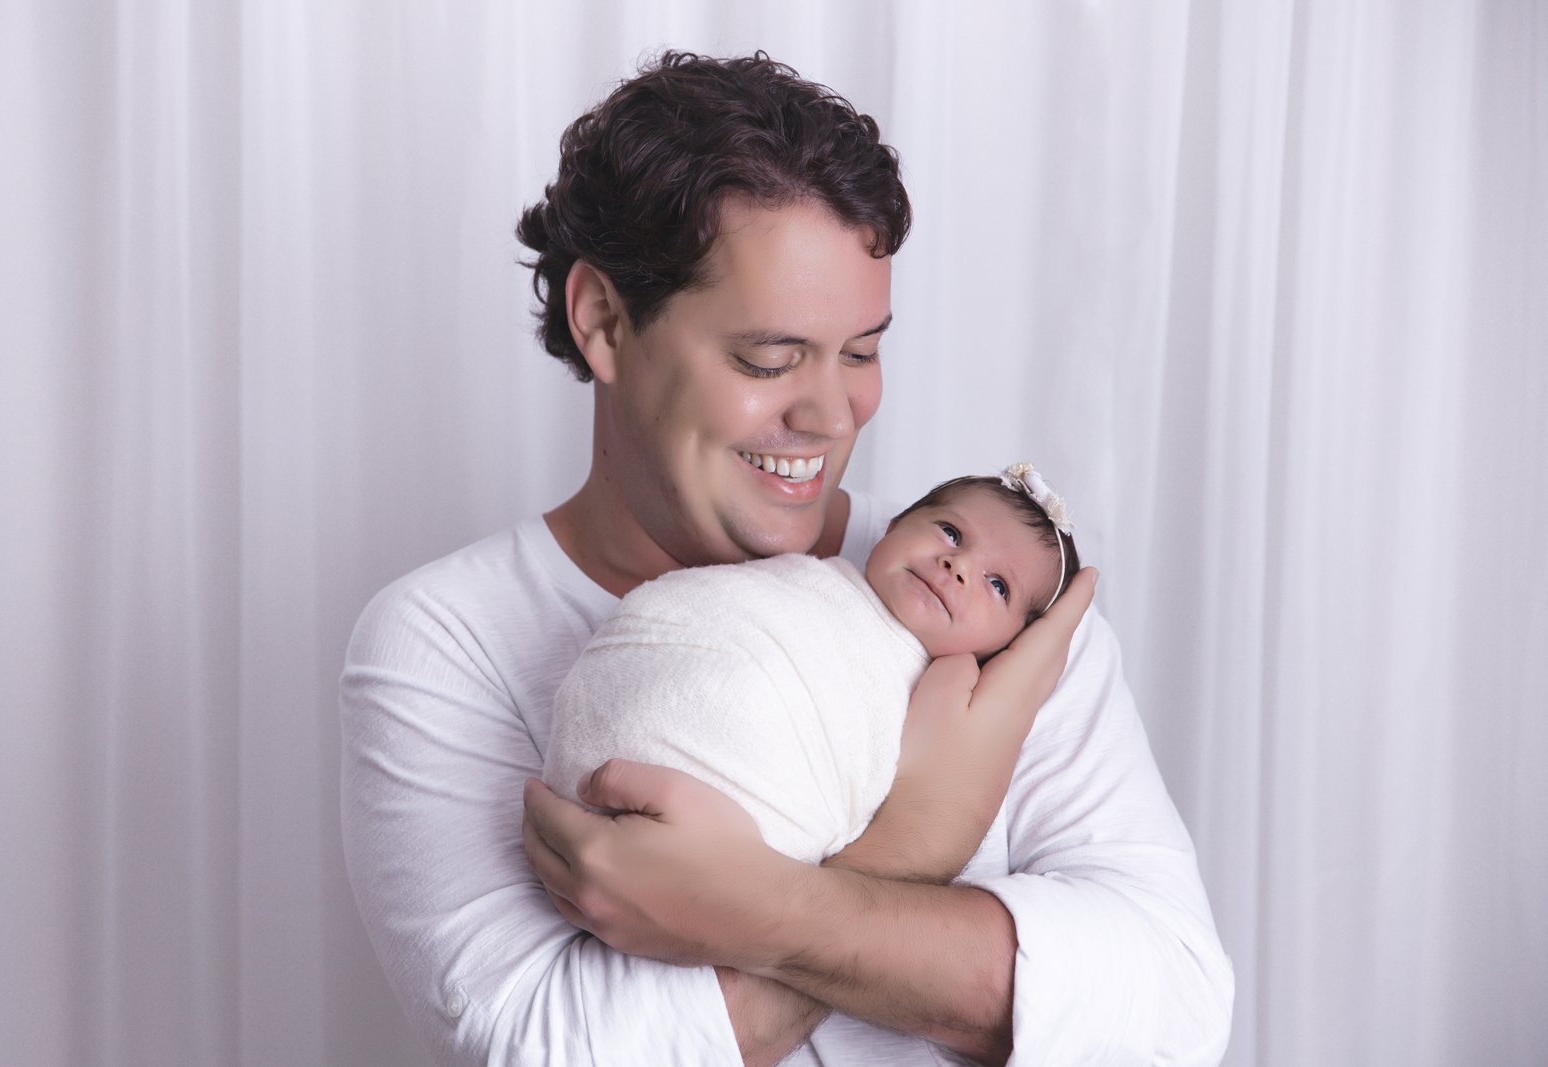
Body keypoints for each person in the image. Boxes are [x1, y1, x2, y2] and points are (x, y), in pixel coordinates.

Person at [340, 50, 1233, 1066]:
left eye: (861, 351)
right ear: (603, 321)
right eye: (767, 358)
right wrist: (914, 844)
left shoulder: (987, 598)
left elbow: (1174, 1007)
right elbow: (554, 1049)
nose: (831, 414)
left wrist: (774, 911)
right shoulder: (447, 640)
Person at [544, 466, 1083, 866]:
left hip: (727, 832)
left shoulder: (948, 699)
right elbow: (713, 615)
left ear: (1011, 644)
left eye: (998, 585)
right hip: (620, 728)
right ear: (894, 525)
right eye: (951, 532)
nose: (958, 565)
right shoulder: (802, 579)